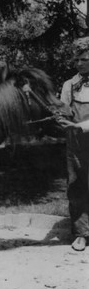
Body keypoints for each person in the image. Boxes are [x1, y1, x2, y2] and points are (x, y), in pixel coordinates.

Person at [60, 36, 89, 251]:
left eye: (85, 59)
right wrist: (62, 121)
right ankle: (81, 233)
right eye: (77, 60)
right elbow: (63, 112)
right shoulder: (69, 85)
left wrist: (82, 125)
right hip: (76, 145)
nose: (80, 63)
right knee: (77, 186)